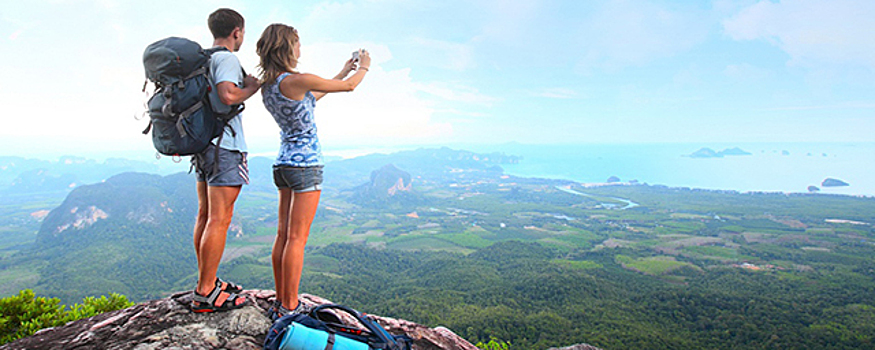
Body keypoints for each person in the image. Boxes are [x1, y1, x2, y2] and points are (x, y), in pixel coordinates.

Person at [256, 23, 371, 317]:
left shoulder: (270, 85)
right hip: (306, 165)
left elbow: (311, 99)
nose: (299, 49)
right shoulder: (297, 79)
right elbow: (349, 88)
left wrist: (342, 71)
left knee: (282, 235)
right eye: (297, 43)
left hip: (283, 165)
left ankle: (282, 299)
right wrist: (363, 68)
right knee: (297, 239)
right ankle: (291, 305)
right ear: (286, 47)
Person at [190, 8, 261, 313]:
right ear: (237, 32)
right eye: (242, 33)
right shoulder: (227, 58)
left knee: (205, 216)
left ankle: (208, 281)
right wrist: (252, 89)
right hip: (225, 147)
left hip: (203, 144)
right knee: (220, 218)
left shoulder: (202, 58)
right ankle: (206, 291)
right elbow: (229, 95)